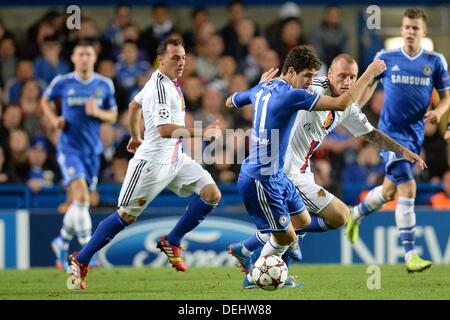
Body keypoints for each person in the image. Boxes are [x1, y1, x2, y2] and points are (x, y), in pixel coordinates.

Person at [229, 54, 425, 282]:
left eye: (352, 77)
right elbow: (288, 82)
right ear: (329, 74)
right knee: (339, 216)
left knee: (298, 224)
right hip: (285, 171)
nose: (348, 82)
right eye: (342, 76)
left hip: (303, 169)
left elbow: (369, 132)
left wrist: (402, 151)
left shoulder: (347, 105)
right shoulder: (311, 87)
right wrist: (369, 73)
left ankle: (250, 251)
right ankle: (255, 273)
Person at [66, 38, 222, 290]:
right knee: (125, 217)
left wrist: (134, 135)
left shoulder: (165, 82)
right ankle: (81, 258)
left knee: (211, 193)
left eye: (183, 57)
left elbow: (133, 105)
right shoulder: (160, 87)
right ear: (161, 60)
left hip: (175, 158)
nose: (181, 62)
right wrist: (203, 133)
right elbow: (163, 129)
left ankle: (172, 240)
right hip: (151, 163)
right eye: (175, 58)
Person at [346, 8, 450, 273]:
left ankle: (355, 214)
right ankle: (410, 254)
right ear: (402, 30)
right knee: (408, 188)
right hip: (390, 135)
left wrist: (438, 113)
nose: (410, 32)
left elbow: (446, 96)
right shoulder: (386, 57)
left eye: (415, 28)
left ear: (424, 32)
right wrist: (354, 110)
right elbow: (368, 84)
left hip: (414, 137)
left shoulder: (435, 61)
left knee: (389, 191)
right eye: (406, 27)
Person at [41, 40, 118, 271]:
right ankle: (88, 253)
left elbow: (113, 116)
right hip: (69, 148)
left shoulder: (104, 84)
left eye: (88, 54)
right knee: (83, 198)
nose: (84, 57)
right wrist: (55, 120)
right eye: (80, 54)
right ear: (73, 58)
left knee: (81, 201)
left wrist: (98, 112)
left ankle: (62, 241)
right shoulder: (62, 82)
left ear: (94, 58)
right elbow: (44, 101)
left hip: (92, 151)